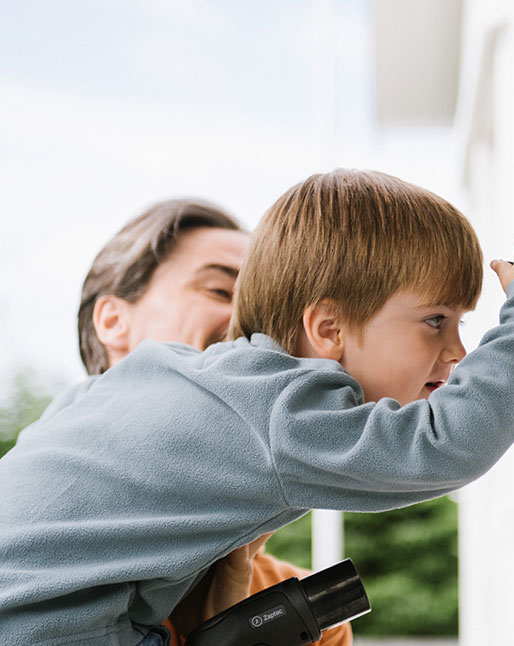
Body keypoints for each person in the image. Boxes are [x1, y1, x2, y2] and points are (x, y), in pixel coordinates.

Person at [0, 169, 514, 646]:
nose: (457, 352)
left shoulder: (133, 387)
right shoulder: (276, 405)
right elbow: (443, 444)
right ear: (327, 327)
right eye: (436, 320)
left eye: (462, 325)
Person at [40, 198, 350, 645]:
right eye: (222, 292)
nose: (252, 327)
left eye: (266, 310)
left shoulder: (307, 618)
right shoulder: (20, 550)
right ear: (113, 320)